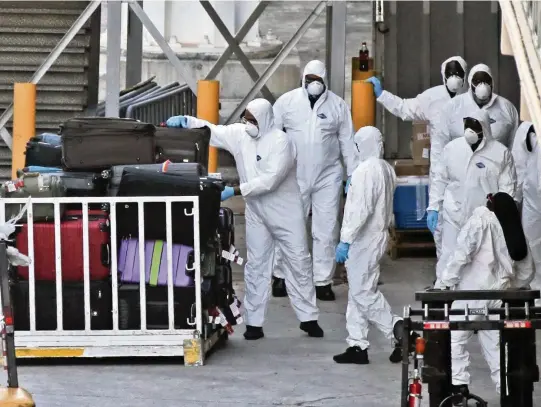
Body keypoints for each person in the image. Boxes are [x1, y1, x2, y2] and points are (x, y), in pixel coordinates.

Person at [166, 98, 324, 340]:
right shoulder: (241, 135)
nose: (248, 124)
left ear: (266, 120)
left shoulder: (282, 142)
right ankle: (254, 323)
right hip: (257, 212)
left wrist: (237, 190)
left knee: (298, 263)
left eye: (253, 120)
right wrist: (188, 122)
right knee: (256, 266)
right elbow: (214, 132)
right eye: (246, 118)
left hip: (285, 213)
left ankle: (308, 318)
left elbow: (271, 180)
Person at [365, 56, 468, 262]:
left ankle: (469, 280)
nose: (454, 79)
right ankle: (445, 278)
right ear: (443, 76)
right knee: (441, 228)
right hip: (442, 171)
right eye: (450, 74)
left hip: (469, 168)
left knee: (469, 225)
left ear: (466, 77)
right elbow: (405, 108)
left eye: (458, 75)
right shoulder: (432, 98)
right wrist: (382, 95)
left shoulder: (473, 99)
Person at [271, 60, 356, 301]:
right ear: (303, 79)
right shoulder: (286, 103)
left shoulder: (338, 106)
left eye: (318, 80)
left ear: (324, 80)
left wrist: (353, 175)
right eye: (310, 80)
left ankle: (322, 281)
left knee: (326, 229)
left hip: (327, 176)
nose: (314, 85)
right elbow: (272, 138)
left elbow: (347, 142)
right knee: (290, 227)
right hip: (294, 175)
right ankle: (281, 276)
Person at [436, 192, 534, 397]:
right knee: (495, 346)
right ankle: (506, 390)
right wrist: (509, 284)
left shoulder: (480, 220)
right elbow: (527, 270)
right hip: (496, 296)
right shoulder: (511, 228)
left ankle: (459, 386)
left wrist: (445, 283)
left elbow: (462, 254)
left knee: (456, 337)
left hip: (471, 294)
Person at [332, 126, 414, 364]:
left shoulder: (366, 171)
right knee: (358, 291)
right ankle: (357, 344)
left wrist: (345, 240)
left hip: (363, 240)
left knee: (362, 292)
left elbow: (360, 211)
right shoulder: (386, 169)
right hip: (377, 236)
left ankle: (397, 328)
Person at [427, 109, 517, 284]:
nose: (470, 130)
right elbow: (439, 179)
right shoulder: (452, 149)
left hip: (484, 220)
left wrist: (505, 216)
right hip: (454, 214)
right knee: (449, 257)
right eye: (467, 125)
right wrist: (433, 207)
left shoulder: (500, 153)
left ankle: (479, 303)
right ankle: (443, 295)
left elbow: (508, 189)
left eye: (475, 125)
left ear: (485, 127)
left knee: (483, 263)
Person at [433, 63, 519, 149]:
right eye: (477, 81)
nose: (482, 85)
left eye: (486, 81)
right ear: (470, 83)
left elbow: (515, 147)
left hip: (495, 161)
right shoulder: (452, 107)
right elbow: (439, 142)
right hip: (460, 161)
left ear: (492, 83)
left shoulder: (507, 108)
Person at [512, 122, 541, 306]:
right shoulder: (528, 129)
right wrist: (515, 199)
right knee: (532, 244)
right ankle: (538, 294)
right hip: (533, 198)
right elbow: (519, 164)